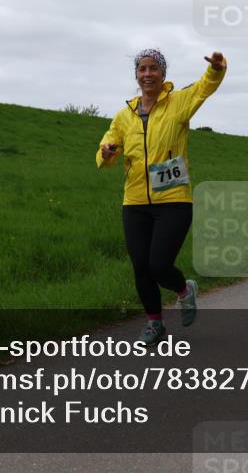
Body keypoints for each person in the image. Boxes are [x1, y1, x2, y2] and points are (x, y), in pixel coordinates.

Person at [96, 48, 227, 344]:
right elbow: (109, 142)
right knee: (140, 266)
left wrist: (217, 69)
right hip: (135, 202)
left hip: (174, 201)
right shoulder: (124, 116)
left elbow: (204, 87)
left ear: (163, 74)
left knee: (158, 264)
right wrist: (105, 152)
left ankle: (184, 290)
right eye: (142, 69)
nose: (147, 74)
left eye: (153, 68)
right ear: (136, 75)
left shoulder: (178, 103)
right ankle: (154, 323)